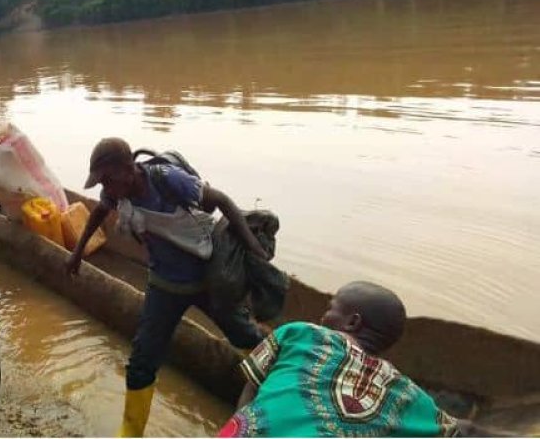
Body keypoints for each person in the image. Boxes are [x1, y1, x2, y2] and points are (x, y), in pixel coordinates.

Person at [65, 137, 271, 437]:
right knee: (141, 363)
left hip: (206, 279)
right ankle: (130, 433)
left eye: (108, 179)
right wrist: (76, 252)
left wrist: (254, 249)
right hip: (165, 283)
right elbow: (98, 212)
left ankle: (277, 382)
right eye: (101, 182)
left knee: (247, 337)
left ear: (128, 168)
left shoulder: (168, 181)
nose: (105, 188)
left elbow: (222, 201)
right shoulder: (116, 192)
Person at [218, 281, 490, 438]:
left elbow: (252, 386)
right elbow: (464, 430)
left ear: (352, 322)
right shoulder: (408, 394)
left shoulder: (299, 333)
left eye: (330, 307)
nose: (324, 316)